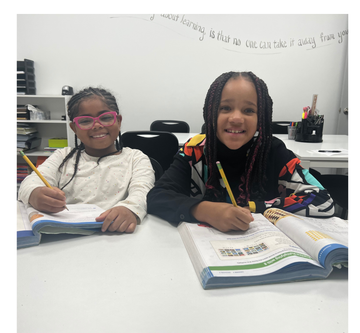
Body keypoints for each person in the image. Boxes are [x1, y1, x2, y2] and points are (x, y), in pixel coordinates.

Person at [147, 71, 334, 232]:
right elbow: (157, 197)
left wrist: (256, 207)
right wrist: (205, 210)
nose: (236, 118)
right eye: (225, 108)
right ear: (211, 114)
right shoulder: (195, 150)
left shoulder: (272, 150)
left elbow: (323, 200)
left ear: (261, 118)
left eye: (248, 110)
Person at [19, 87, 155, 233]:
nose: (97, 125)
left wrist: (130, 208)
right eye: (85, 121)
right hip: (66, 238)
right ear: (74, 128)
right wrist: (35, 194)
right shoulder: (62, 156)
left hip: (116, 237)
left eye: (106, 118)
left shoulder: (136, 158)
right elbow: (29, 184)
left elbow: (142, 192)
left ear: (118, 121)